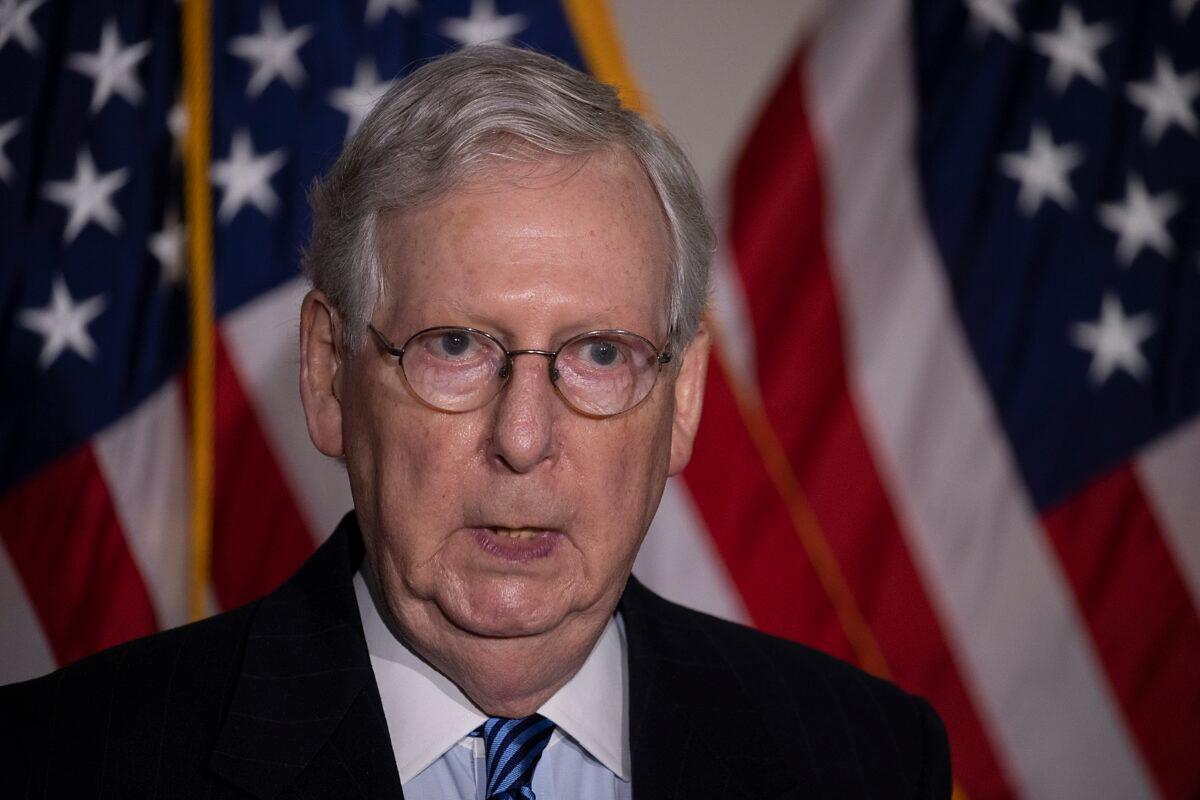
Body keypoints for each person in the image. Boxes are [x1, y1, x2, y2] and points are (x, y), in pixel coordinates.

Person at [1, 46, 950, 799]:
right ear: (330, 373)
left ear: (685, 396)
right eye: (455, 346)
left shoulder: (868, 757)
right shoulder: (59, 764)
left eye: (601, 354)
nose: (524, 438)